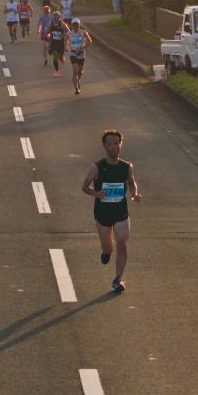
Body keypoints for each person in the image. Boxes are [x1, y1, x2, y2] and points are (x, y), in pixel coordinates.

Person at [82, 129, 140, 292]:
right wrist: (96, 193)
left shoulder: (127, 166)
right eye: (110, 144)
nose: (113, 147)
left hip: (121, 212)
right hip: (102, 213)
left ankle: (117, 279)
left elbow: (131, 182)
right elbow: (84, 187)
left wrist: (134, 193)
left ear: (120, 145)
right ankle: (106, 251)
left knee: (121, 241)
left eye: (116, 143)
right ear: (104, 146)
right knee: (108, 247)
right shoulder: (97, 167)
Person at [67, 17, 88, 94]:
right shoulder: (69, 33)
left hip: (81, 53)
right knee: (75, 71)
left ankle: (78, 80)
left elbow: (90, 41)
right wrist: (66, 47)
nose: (75, 26)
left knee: (80, 72)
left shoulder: (83, 32)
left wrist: (84, 46)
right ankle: (76, 88)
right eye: (74, 24)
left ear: (79, 25)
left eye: (77, 24)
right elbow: (65, 40)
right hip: (73, 53)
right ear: (72, 25)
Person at [47, 11, 68, 75]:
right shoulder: (51, 24)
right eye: (55, 16)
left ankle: (62, 59)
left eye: (57, 16)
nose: (56, 17)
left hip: (61, 43)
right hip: (53, 43)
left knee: (60, 57)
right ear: (53, 17)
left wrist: (63, 35)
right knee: (55, 57)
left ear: (60, 17)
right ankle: (57, 71)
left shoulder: (62, 24)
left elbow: (68, 31)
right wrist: (48, 34)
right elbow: (47, 32)